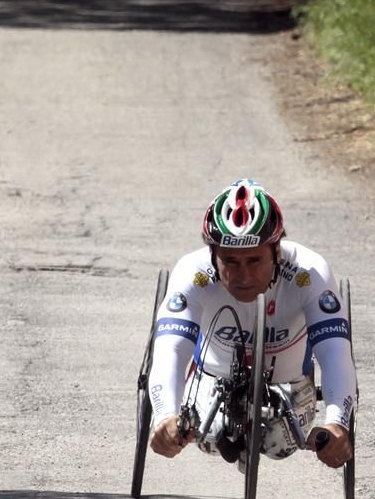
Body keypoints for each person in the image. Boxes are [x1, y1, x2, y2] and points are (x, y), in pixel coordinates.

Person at [147, 179, 356, 469]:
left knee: (279, 443)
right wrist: (164, 415)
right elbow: (170, 349)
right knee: (209, 435)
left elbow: (335, 352)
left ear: (277, 252)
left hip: (290, 385)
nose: (244, 276)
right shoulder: (193, 272)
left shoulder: (309, 272)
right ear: (212, 256)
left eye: (255, 260)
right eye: (231, 262)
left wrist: (337, 423)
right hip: (212, 381)